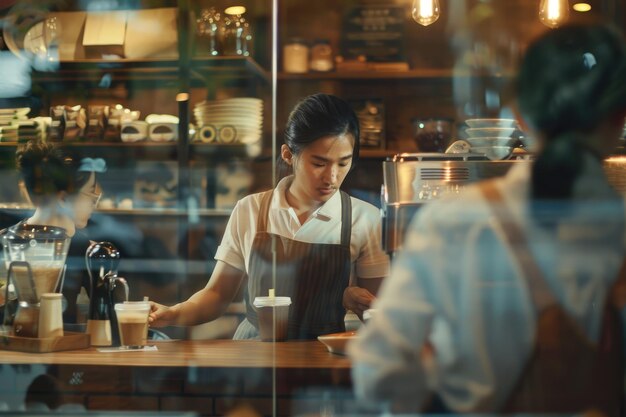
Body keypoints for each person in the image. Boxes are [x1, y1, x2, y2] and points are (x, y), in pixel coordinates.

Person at [349, 23, 626, 415]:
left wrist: (441, 367)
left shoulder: (456, 220)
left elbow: (376, 375)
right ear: (618, 119)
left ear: (521, 117)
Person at [150, 93, 390, 339]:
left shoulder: (366, 219)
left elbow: (378, 314)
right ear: (288, 155)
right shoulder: (250, 210)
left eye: (343, 163)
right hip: (255, 353)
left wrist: (354, 299)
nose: (331, 177)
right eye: (319, 163)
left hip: (322, 356)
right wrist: (172, 314)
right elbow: (217, 295)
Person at [8, 140, 106, 322]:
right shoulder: (86, 250)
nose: (94, 201)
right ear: (63, 198)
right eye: (90, 193)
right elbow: (106, 322)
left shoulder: (6, 239)